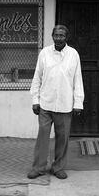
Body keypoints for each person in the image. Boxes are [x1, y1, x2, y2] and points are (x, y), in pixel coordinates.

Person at [28, 25, 84, 180]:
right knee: (43, 137)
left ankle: (58, 167)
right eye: (56, 35)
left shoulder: (73, 54)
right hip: (46, 103)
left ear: (67, 37)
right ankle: (38, 168)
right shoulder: (44, 53)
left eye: (62, 35)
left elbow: (77, 79)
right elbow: (37, 77)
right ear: (52, 36)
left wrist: (78, 102)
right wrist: (35, 99)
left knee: (63, 138)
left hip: (65, 104)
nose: (59, 38)